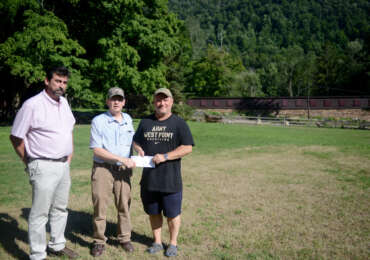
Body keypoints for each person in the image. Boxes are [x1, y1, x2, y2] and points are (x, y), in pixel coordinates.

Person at [9, 66, 79, 260]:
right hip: (42, 165)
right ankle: (38, 254)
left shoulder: (64, 103)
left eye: (64, 82)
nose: (61, 86)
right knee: (40, 213)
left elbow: (68, 129)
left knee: (60, 208)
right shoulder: (32, 105)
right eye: (57, 81)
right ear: (47, 81)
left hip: (63, 164)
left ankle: (57, 244)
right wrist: (29, 161)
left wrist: (69, 153)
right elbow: (16, 137)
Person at [133, 88, 194, 257]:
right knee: (153, 212)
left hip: (170, 179)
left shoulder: (179, 123)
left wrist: (166, 156)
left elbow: (187, 147)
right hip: (149, 180)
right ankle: (157, 242)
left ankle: (173, 243)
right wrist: (138, 149)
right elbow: (136, 141)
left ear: (171, 102)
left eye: (165, 100)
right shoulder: (145, 122)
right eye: (158, 100)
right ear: (154, 103)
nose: (162, 103)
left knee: (173, 214)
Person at [89, 87, 136, 257]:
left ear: (124, 102)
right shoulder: (98, 121)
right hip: (103, 168)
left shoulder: (128, 119)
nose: (116, 102)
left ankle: (124, 238)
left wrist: (138, 149)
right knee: (100, 205)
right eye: (112, 99)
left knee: (124, 204)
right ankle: (99, 241)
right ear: (107, 101)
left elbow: (132, 141)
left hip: (123, 171)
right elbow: (97, 150)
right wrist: (121, 159)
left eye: (119, 99)